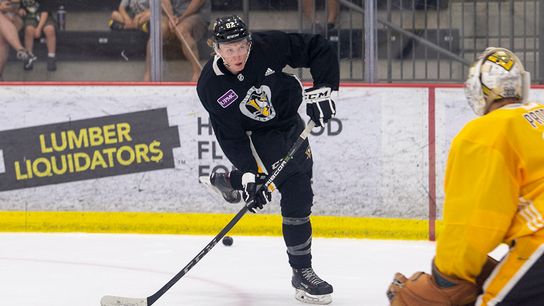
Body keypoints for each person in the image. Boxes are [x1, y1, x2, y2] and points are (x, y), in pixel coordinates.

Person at [196, 15, 338, 305]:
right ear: (216, 49)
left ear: (249, 42)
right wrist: (250, 174)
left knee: (301, 183)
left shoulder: (267, 46)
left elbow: (317, 47)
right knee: (297, 191)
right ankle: (302, 273)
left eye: (241, 47)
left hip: (290, 123)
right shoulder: (210, 87)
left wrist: (324, 89)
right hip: (255, 135)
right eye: (229, 49)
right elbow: (230, 137)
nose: (237, 55)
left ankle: (226, 180)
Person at [386, 47, 544, 305]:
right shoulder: (538, 115)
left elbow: (473, 224)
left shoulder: (486, 131)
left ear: (478, 90)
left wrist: (444, 279)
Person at [164, 0, 210, 82]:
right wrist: (170, 17)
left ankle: (197, 72)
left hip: (196, 14)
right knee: (157, 31)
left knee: (181, 30)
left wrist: (181, 18)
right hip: (172, 16)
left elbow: (198, 1)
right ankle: (149, 76)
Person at [19, 0, 57, 71]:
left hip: (44, 17)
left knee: (50, 29)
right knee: (29, 30)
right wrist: (21, 10)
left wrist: (39, 28)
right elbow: (22, 6)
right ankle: (29, 57)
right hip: (30, 17)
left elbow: (45, 13)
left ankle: (51, 57)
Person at [0, 0, 34, 80]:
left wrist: (13, 9)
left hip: (13, 20)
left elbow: (31, 7)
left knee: (5, 27)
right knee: (3, 36)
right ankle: (20, 49)